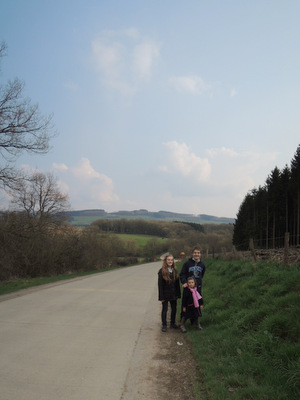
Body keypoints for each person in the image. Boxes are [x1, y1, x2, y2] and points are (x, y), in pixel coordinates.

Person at [158, 254, 181, 332]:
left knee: (174, 309)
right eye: (168, 260)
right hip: (165, 294)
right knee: (165, 309)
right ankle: (164, 325)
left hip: (173, 293)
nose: (170, 261)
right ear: (165, 261)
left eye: (171, 260)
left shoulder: (175, 270)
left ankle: (172, 323)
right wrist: (161, 297)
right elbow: (160, 285)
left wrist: (178, 294)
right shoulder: (161, 271)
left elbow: (177, 284)